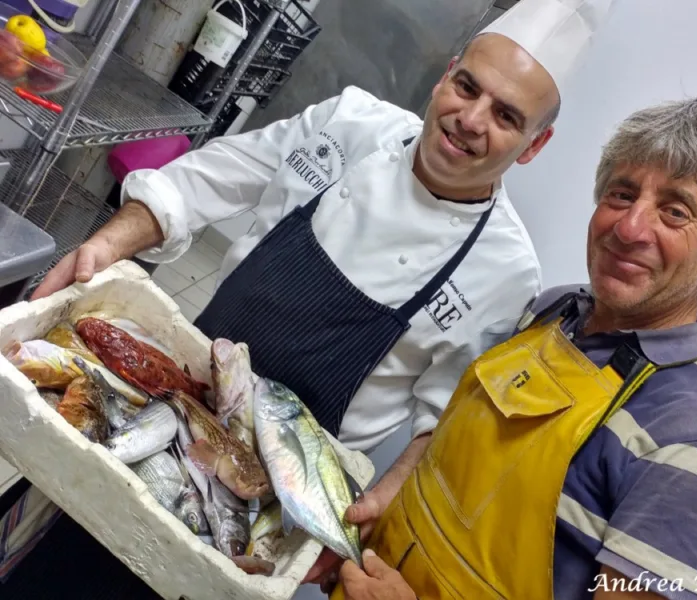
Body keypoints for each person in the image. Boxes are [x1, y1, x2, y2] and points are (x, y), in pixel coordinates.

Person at [0, 0, 618, 596]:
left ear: (534, 145)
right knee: (39, 537)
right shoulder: (348, 123)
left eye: (507, 116)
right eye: (467, 86)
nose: (472, 119)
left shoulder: (506, 271)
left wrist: (369, 506)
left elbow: (438, 425)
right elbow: (199, 184)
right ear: (443, 78)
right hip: (167, 399)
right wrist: (105, 245)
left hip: (270, 493)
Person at [330, 93, 697, 600]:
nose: (630, 228)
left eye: (674, 212)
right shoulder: (556, 310)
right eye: (622, 195)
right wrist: (378, 508)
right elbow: (458, 448)